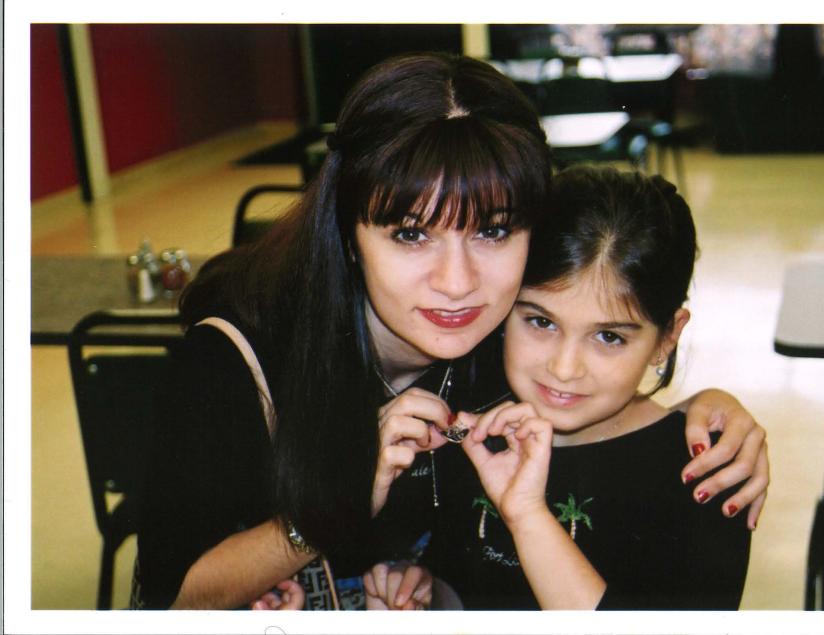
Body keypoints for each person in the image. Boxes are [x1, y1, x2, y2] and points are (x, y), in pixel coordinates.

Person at [134, 52, 768, 611]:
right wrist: (329, 510)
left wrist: (703, 410)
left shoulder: (502, 344)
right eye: (411, 234)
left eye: (492, 231)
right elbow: (170, 602)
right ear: (349, 233)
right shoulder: (232, 362)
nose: (458, 283)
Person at [428, 165, 752, 609]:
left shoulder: (709, 471)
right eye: (540, 321)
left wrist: (527, 517)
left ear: (667, 338)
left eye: (609, 337)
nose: (563, 369)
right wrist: (410, 585)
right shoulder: (467, 417)